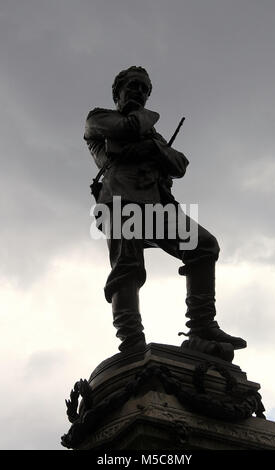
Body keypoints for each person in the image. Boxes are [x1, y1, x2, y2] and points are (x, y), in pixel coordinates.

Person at [84, 66, 246, 361]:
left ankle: (201, 327)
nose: (139, 92)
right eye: (133, 86)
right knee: (127, 268)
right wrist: (150, 128)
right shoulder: (99, 118)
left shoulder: (149, 133)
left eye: (144, 89)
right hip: (120, 202)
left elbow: (180, 164)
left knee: (203, 245)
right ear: (117, 91)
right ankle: (131, 343)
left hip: (158, 204)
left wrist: (151, 149)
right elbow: (128, 128)